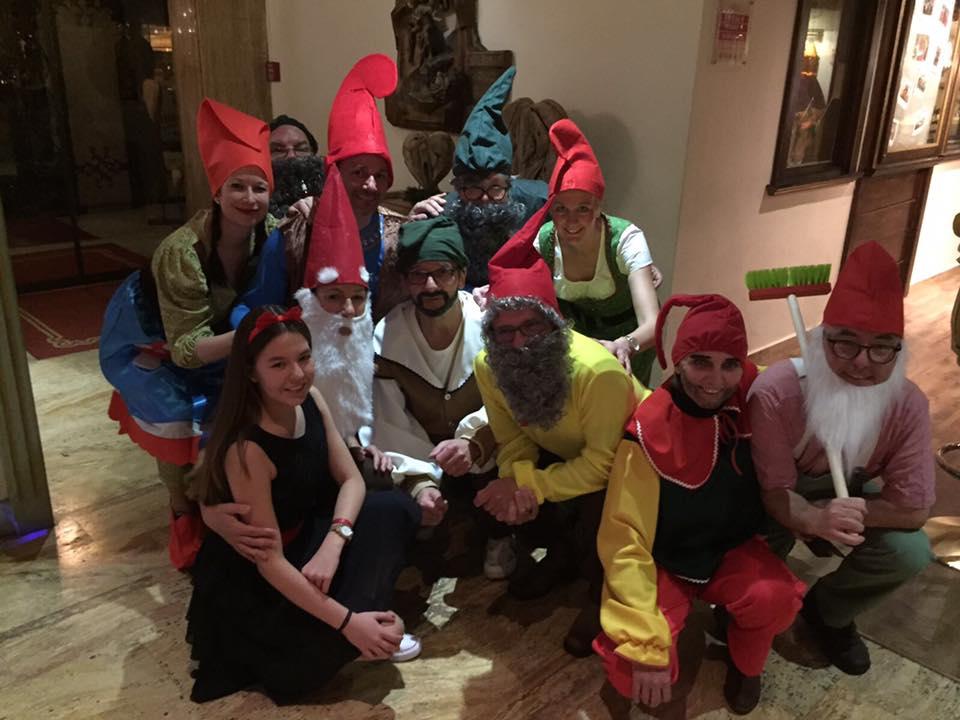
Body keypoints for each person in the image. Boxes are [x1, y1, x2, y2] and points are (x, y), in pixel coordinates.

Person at [185, 306, 421, 704]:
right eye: (278, 364)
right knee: (304, 667)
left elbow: (351, 479)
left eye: (304, 358)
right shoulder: (249, 448)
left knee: (395, 509)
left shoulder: (310, 398)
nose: (297, 374)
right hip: (263, 574)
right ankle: (367, 628)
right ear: (251, 372)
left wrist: (334, 541)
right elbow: (269, 560)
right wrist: (349, 624)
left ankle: (371, 623)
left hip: (308, 534)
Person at [593, 294, 805, 716]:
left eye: (730, 365)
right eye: (700, 362)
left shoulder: (754, 393)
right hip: (664, 562)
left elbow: (800, 380)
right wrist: (647, 643)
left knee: (774, 598)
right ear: (678, 361)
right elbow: (624, 540)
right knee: (630, 666)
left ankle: (746, 665)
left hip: (731, 552)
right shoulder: (649, 428)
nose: (716, 380)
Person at [99, 98, 285, 568]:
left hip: (228, 336)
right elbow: (184, 349)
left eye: (259, 188)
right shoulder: (181, 252)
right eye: (237, 186)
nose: (249, 198)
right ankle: (184, 515)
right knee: (181, 418)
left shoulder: (273, 232)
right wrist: (253, 334)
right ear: (217, 193)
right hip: (156, 342)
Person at [749, 241, 935, 676]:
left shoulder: (908, 405)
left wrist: (844, 511)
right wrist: (812, 519)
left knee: (909, 552)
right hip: (774, 490)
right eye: (845, 344)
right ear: (822, 341)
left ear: (899, 351)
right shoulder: (776, 392)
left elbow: (914, 509)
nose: (861, 364)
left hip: (849, 490)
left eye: (882, 348)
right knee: (756, 567)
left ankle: (828, 610)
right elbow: (775, 493)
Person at [472, 220, 643, 655]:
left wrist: (528, 484)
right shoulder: (488, 365)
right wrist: (516, 485)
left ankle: (604, 594)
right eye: (504, 331)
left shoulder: (598, 373)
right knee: (518, 478)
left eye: (531, 327)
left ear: (555, 325)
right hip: (565, 452)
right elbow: (512, 440)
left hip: (630, 460)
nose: (518, 343)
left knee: (600, 507)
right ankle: (563, 559)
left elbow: (603, 464)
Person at [371, 215, 515, 578]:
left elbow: (510, 401)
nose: (430, 285)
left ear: (462, 276)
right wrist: (419, 482)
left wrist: (474, 443)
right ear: (405, 281)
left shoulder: (491, 325)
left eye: (443, 272)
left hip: (486, 447)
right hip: (426, 450)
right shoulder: (387, 337)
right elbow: (390, 419)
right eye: (418, 275)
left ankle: (500, 533)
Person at [281, 54, 408, 321]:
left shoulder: (400, 236)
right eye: (359, 172)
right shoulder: (295, 233)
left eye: (380, 175)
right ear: (334, 173)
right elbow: (257, 307)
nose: (371, 185)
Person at [407, 67, 549, 287]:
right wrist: (410, 224)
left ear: (510, 182)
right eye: (473, 188)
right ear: (458, 188)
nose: (484, 199)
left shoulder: (539, 201)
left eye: (495, 187)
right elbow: (408, 265)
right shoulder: (440, 211)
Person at [293, 164, 391, 478]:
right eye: (334, 297)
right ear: (311, 301)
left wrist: (356, 444)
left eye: (358, 298)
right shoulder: (286, 363)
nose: (348, 310)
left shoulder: (372, 346)